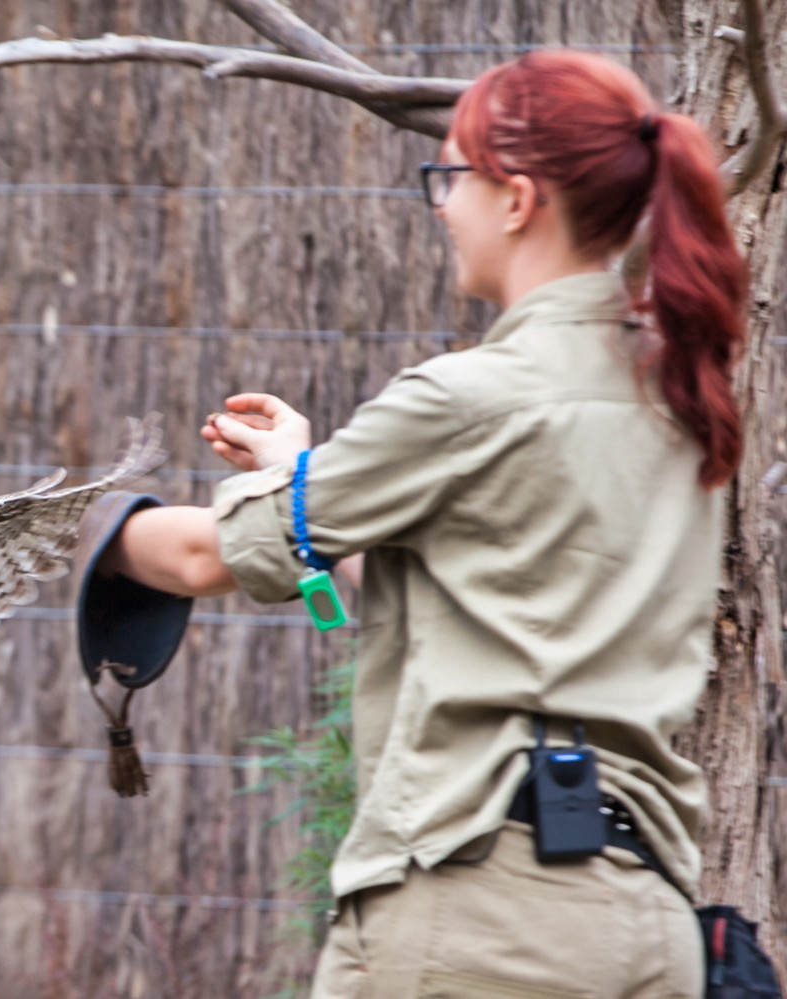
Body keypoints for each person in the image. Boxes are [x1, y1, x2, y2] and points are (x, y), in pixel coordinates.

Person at [85, 49, 747, 997]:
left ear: (516, 198)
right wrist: (309, 477)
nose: (442, 204)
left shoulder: (468, 398)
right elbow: (478, 601)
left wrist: (54, 530)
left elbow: (196, 557)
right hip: (647, 921)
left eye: (452, 176)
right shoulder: (679, 405)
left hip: (483, 920)